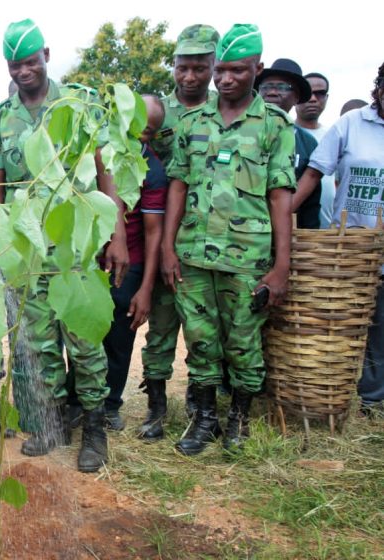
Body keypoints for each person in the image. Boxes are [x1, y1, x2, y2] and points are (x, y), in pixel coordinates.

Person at [0, 19, 126, 472]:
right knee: (40, 345)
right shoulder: (0, 120)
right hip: (28, 255)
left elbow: (106, 173)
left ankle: (95, 430)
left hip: (75, 248)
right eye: (14, 64)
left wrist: (115, 234)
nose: (22, 71)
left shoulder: (78, 103)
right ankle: (54, 425)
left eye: (30, 61)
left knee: (84, 342)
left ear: (46, 54)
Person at [162, 24, 295, 455]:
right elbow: (177, 185)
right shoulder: (192, 122)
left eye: (238, 70)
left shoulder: (274, 126)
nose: (225, 79)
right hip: (194, 255)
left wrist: (281, 266)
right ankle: (204, 421)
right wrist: (167, 247)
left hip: (248, 259)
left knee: (243, 344)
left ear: (258, 67)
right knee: (200, 340)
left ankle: (238, 421)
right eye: (221, 70)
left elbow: (280, 195)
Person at [140, 24, 219, 441]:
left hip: (211, 242)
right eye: (182, 67)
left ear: (213, 66)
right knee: (161, 328)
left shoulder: (225, 113)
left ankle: (200, 408)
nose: (190, 77)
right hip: (165, 237)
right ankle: (155, 409)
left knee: (204, 333)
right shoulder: (158, 111)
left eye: (199, 68)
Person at [296, 62, 384, 415]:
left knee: (381, 330)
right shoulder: (352, 123)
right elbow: (315, 172)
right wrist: (280, 218)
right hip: (351, 249)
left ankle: (373, 402)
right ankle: (338, 396)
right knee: (346, 325)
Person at [100, 95, 167, 433]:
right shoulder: (98, 151)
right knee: (84, 337)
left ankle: (110, 405)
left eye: (145, 133)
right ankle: (78, 402)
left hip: (130, 267)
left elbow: (154, 233)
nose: (133, 137)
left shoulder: (152, 170)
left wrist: (145, 288)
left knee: (118, 340)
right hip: (92, 263)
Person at [255, 59, 320, 230]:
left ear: (297, 97)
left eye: (283, 87)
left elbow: (311, 203)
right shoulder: (238, 132)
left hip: (290, 233)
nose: (273, 92)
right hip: (244, 234)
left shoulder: (308, 143)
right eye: (266, 87)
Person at [295, 72, 337, 228]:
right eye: (308, 92)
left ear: (327, 98)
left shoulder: (335, 135)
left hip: (328, 233)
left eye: (320, 93)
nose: (313, 99)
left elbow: (338, 182)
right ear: (296, 97)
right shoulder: (284, 134)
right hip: (296, 227)